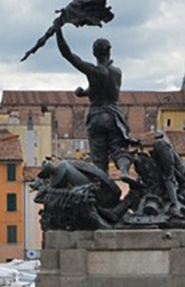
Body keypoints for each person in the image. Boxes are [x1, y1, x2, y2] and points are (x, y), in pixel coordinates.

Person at [55, 26, 134, 179]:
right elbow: (103, 89)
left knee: (99, 161)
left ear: (93, 53)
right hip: (114, 115)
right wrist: (84, 92)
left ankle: (102, 189)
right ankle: (123, 170)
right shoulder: (117, 72)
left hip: (97, 116)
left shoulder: (94, 71)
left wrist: (58, 31)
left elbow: (68, 55)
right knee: (119, 150)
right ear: (109, 51)